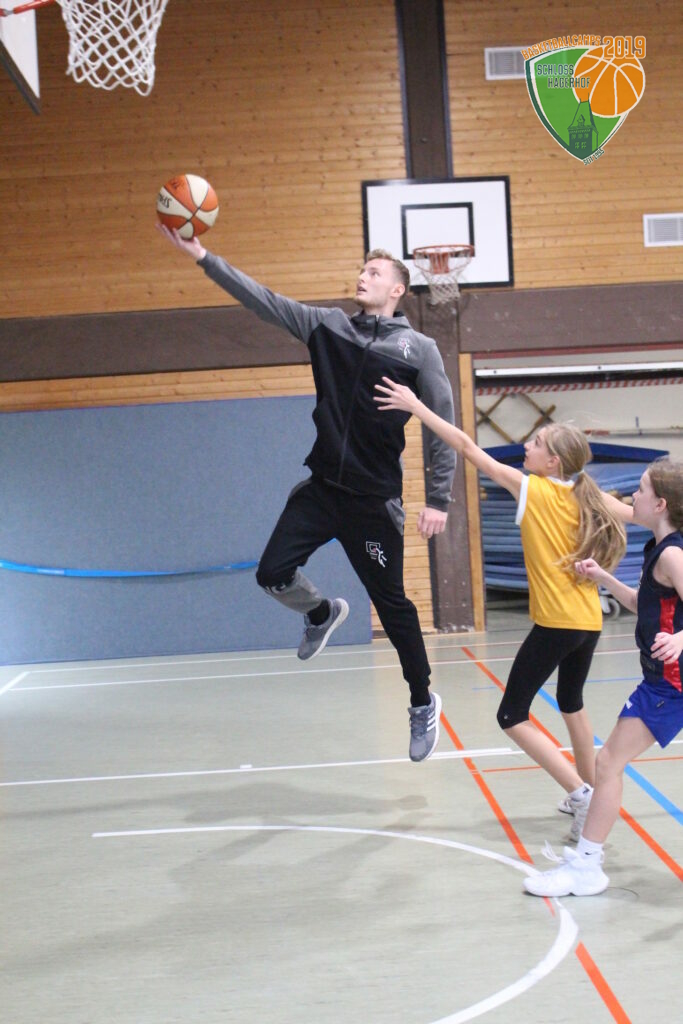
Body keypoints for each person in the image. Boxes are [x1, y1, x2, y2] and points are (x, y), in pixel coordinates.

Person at [158, 225, 456, 761]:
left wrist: (439, 499)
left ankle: (421, 699)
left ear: (397, 289)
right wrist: (203, 256)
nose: (362, 276)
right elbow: (263, 300)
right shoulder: (328, 326)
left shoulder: (421, 350)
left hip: (373, 502)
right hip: (322, 491)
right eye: (361, 269)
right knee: (271, 572)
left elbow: (442, 424)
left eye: (374, 272)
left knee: (393, 607)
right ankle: (320, 613)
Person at [374, 376, 632, 832]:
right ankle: (591, 794)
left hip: (557, 624)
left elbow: (465, 446)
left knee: (511, 715)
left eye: (536, 443)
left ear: (552, 461)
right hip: (588, 621)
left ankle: (581, 793)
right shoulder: (590, 496)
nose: (526, 446)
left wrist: (417, 406)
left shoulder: (533, 488)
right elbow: (645, 514)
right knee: (571, 703)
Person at [524, 456, 683, 896]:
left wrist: (681, 640)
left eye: (642, 489)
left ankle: (587, 867)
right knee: (608, 763)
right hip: (665, 681)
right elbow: (641, 605)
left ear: (661, 504)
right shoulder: (660, 549)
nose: (634, 495)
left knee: (608, 763)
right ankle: (587, 863)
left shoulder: (673, 554)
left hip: (671, 684)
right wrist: (603, 578)